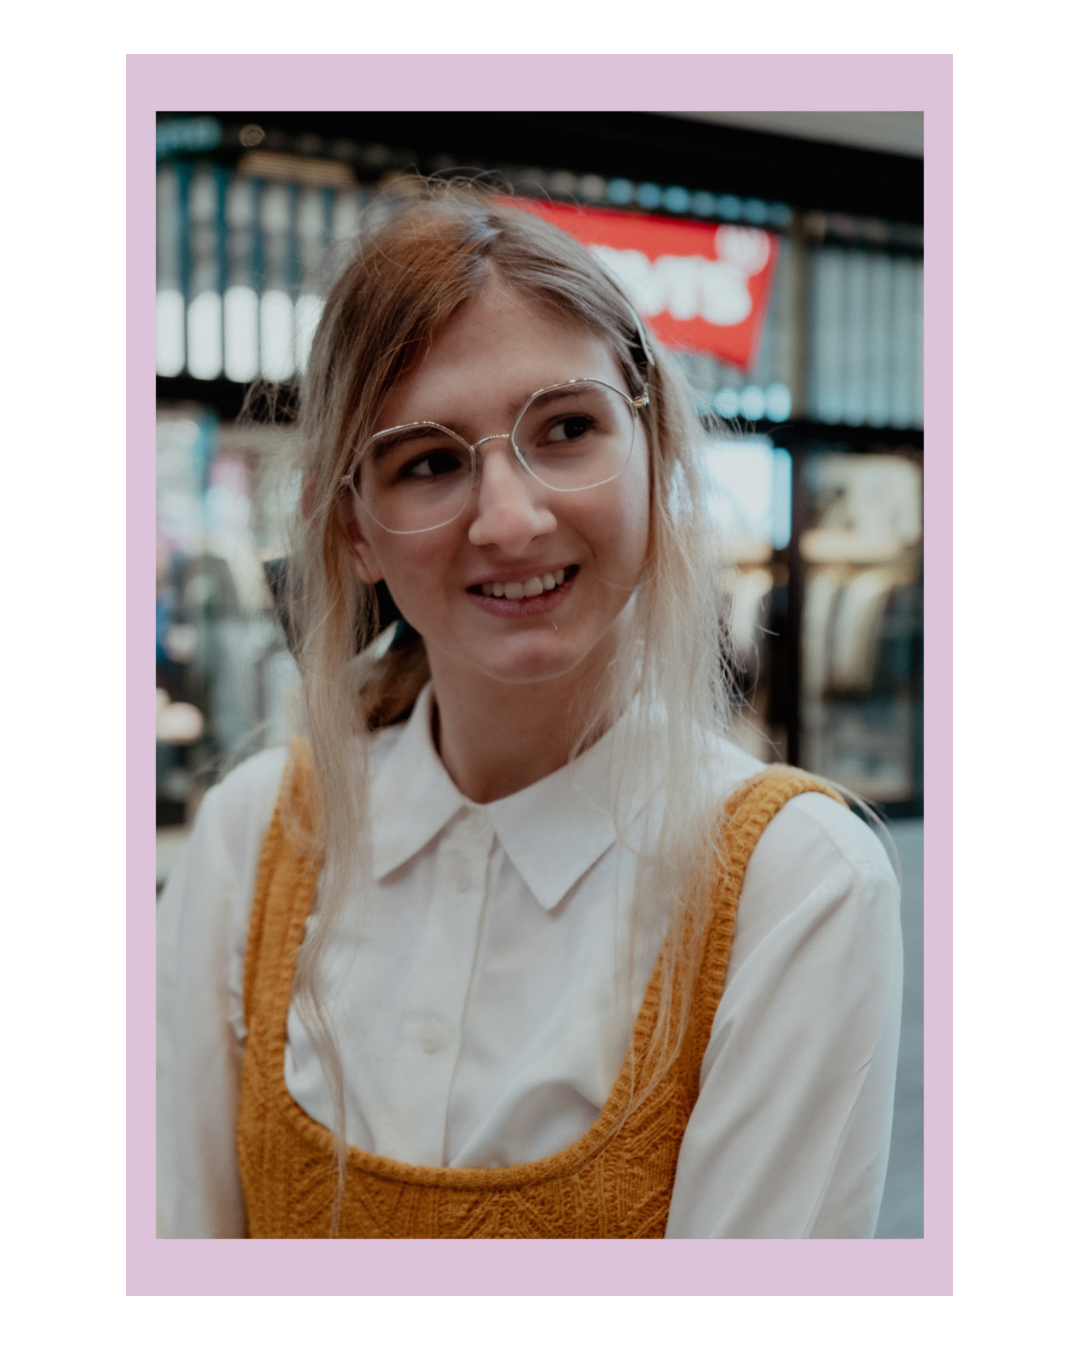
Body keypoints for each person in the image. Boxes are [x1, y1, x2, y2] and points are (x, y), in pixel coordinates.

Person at [156, 185, 902, 1240]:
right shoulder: (250, 842)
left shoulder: (796, 883)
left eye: (565, 428)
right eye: (427, 462)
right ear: (354, 530)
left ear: (653, 456)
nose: (510, 519)